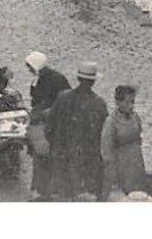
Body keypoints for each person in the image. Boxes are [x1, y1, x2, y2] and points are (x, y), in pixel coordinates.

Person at [46, 62, 108, 201]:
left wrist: (56, 146)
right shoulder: (99, 104)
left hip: (62, 156)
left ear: (78, 79)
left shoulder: (62, 97)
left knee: (63, 195)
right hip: (86, 160)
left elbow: (49, 126)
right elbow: (103, 135)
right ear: (93, 81)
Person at [25, 51, 71, 201]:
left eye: (30, 67)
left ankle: (45, 190)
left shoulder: (55, 79)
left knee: (45, 155)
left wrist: (44, 112)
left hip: (52, 123)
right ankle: (43, 188)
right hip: (42, 121)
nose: (29, 70)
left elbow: (63, 103)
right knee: (42, 155)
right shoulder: (41, 78)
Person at [100, 85, 147, 200]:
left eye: (133, 102)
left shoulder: (135, 117)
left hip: (136, 167)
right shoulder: (111, 122)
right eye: (127, 102)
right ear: (118, 102)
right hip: (121, 169)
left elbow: (139, 135)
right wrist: (113, 176)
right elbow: (107, 151)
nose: (131, 106)